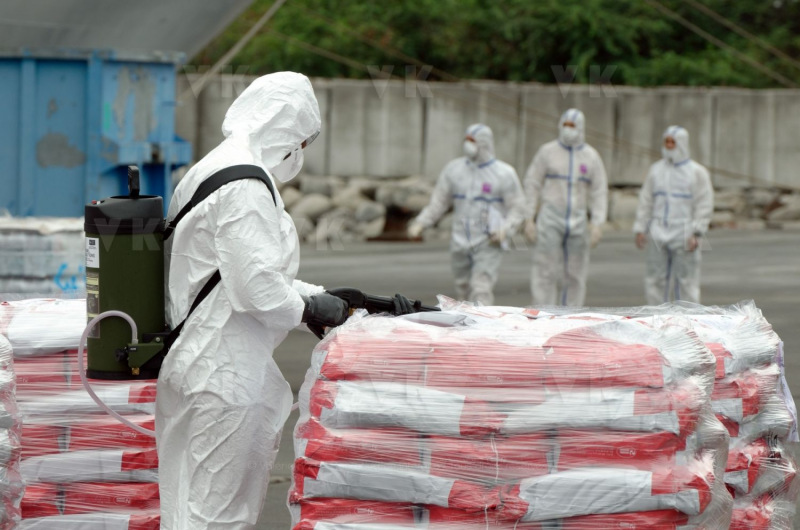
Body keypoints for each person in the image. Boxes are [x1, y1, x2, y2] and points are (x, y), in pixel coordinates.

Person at [156, 72, 353, 529]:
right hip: (225, 374)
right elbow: (257, 291)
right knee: (218, 517)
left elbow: (225, 273)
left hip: (191, 361)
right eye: (301, 141)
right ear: (285, 129)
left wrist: (316, 295)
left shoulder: (207, 169)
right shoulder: (246, 184)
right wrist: (309, 309)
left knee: (184, 509)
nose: (299, 153)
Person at [407, 124, 525, 305]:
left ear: (484, 143)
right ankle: (464, 326)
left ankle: (482, 327)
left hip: (488, 240)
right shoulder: (454, 170)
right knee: (462, 287)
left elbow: (517, 207)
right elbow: (439, 202)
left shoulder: (504, 173)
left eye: (472, 141)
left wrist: (506, 230)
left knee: (481, 288)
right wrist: (421, 223)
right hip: (459, 239)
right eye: (466, 140)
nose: (468, 144)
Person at [523, 108, 608, 307]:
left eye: (573, 126)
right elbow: (532, 183)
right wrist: (528, 218)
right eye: (565, 125)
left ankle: (571, 315)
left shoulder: (591, 156)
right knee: (545, 270)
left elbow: (599, 191)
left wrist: (597, 223)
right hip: (551, 217)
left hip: (578, 221)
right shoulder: (547, 152)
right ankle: (542, 313)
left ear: (581, 128)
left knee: (576, 273)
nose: (568, 129)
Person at [634, 125, 713, 305]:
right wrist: (640, 228)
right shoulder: (656, 170)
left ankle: (688, 321)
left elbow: (704, 204)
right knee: (655, 280)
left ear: (682, 144)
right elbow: (646, 200)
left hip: (684, 232)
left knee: (686, 280)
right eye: (666, 142)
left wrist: (697, 232)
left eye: (673, 142)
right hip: (658, 230)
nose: (669, 146)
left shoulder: (697, 173)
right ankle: (657, 319)